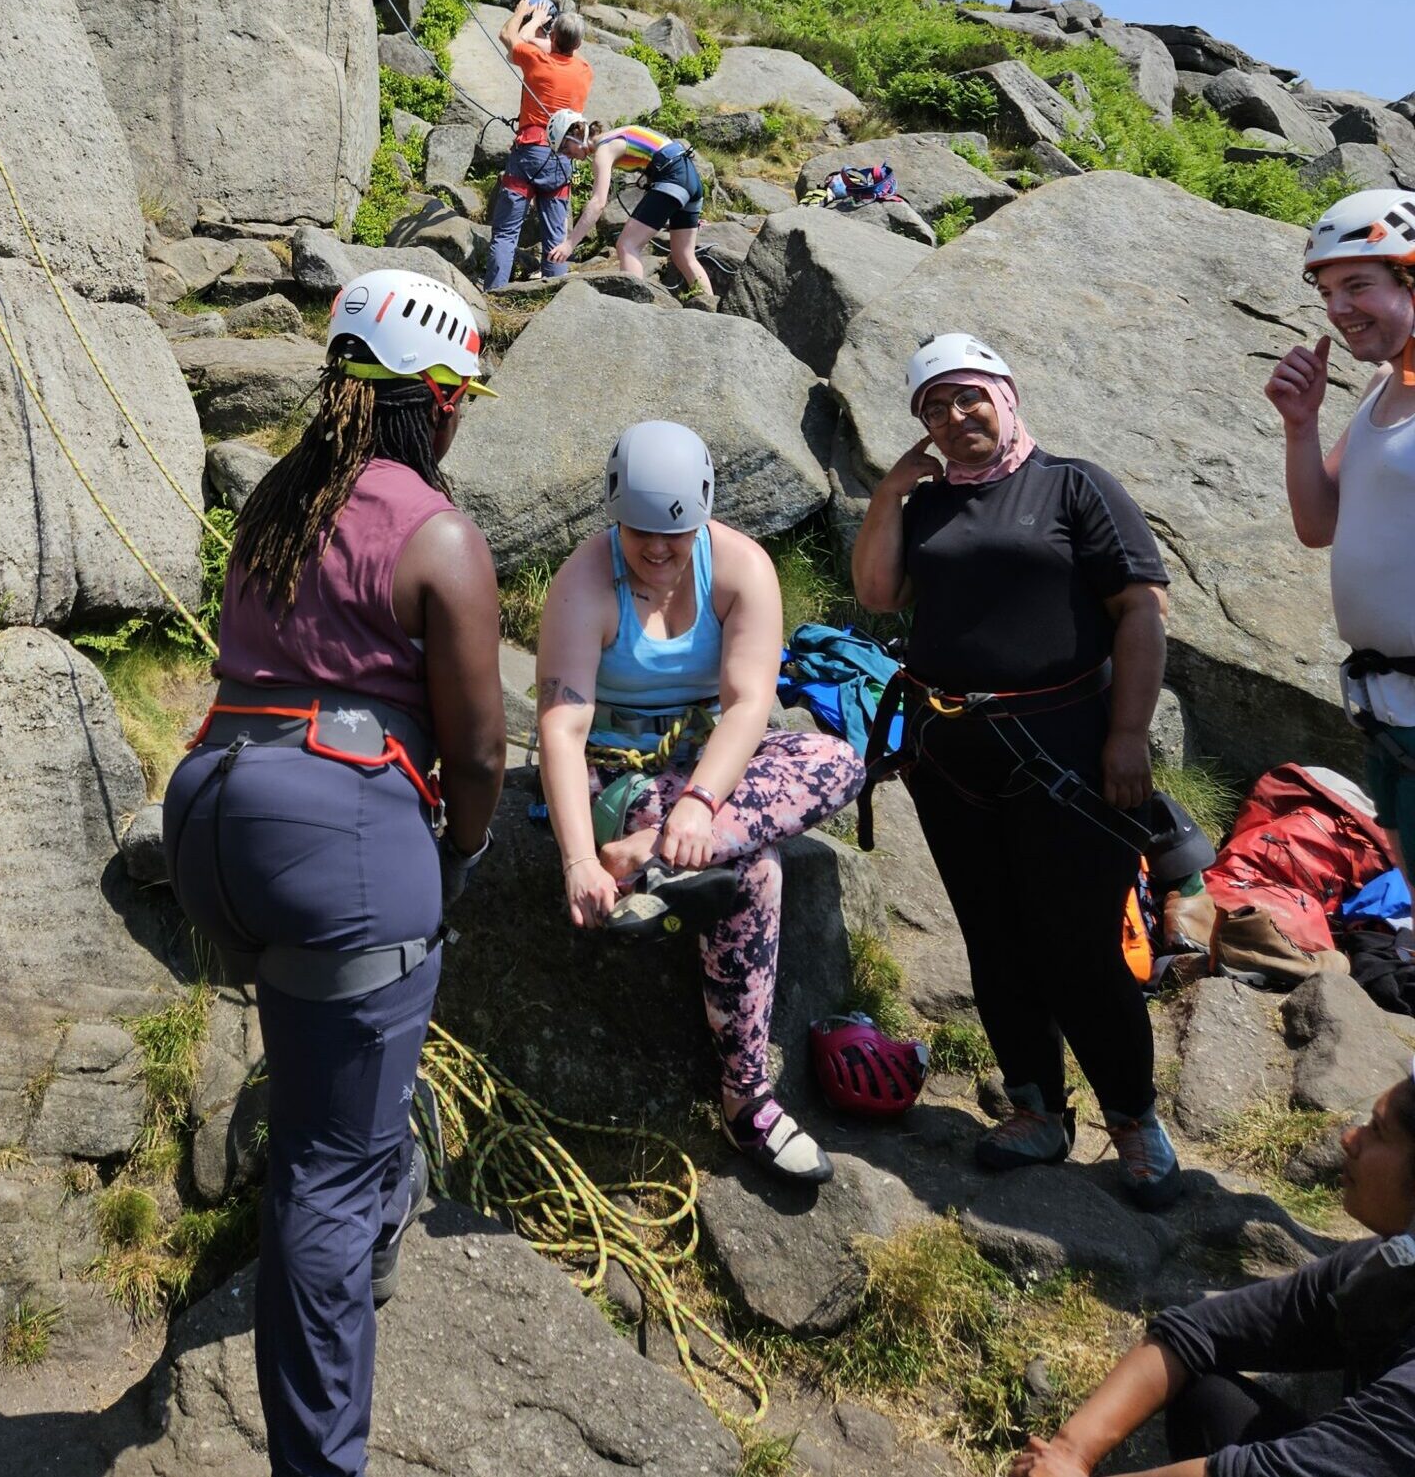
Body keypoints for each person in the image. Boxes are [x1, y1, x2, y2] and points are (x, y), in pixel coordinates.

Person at [162, 268, 507, 1477]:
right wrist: (458, 856)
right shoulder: (438, 532)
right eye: (462, 391)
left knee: (331, 1103)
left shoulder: (274, 500)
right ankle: (321, 1454)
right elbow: (477, 748)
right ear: (440, 399)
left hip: (213, 813)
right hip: (338, 836)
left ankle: (360, 1239)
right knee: (329, 1166)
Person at [850, 333, 1181, 1208]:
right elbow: (879, 594)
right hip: (951, 754)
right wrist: (890, 489)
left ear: (1006, 393)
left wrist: (1129, 735)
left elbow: (1141, 611)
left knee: (1077, 944)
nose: (955, 418)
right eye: (934, 406)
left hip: (1065, 750)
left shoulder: (1075, 485)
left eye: (968, 398)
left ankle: (1134, 1117)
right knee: (992, 934)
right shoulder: (924, 506)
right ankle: (1036, 1107)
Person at [535, 420, 864, 1184]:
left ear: (702, 516)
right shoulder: (584, 584)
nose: (657, 549)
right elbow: (562, 723)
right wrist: (580, 857)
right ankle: (748, 1098)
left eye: (675, 533)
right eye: (642, 532)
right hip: (623, 775)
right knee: (753, 872)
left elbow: (751, 702)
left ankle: (648, 860)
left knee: (837, 757)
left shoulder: (740, 567)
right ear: (617, 514)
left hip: (707, 771)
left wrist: (698, 808)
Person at [1010, 1070, 1415, 1476]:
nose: (1349, 1138)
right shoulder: (1389, 1263)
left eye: (1377, 1131)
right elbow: (1195, 1331)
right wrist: (1069, 1453)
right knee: (1206, 1398)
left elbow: (1262, 1473)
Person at [1266, 187, 1415, 874]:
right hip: (1388, 718)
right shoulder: (1381, 391)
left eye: (1358, 284)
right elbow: (1318, 523)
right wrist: (1302, 424)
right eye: (1327, 291)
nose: (1337, 309)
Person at [481, 0, 594, 291]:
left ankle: (494, 295)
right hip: (562, 158)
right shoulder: (584, 71)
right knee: (556, 237)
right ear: (578, 43)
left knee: (506, 234)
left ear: (553, 37)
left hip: (529, 152)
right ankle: (554, 298)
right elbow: (559, 47)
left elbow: (509, 36)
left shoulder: (536, 60)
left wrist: (525, 13)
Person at [545, 114, 714, 297]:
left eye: (564, 146)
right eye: (560, 151)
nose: (566, 154)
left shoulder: (604, 150)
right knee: (683, 255)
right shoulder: (614, 136)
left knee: (627, 245)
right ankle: (710, 307)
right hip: (689, 177)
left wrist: (569, 244)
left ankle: (633, 309)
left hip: (672, 177)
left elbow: (598, 203)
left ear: (576, 133)